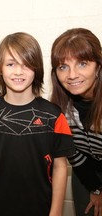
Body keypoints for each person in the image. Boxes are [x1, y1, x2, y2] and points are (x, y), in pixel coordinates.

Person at [0, 32, 76, 216]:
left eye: (26, 65)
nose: (18, 72)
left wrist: (56, 211)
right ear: (0, 69)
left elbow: (61, 167)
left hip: (42, 209)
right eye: (11, 64)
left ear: (36, 69)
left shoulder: (54, 115)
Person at [50, 28, 102, 216]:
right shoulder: (60, 107)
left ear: (98, 66)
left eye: (82, 64)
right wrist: (95, 189)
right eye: (63, 67)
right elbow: (73, 151)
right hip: (86, 172)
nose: (72, 75)